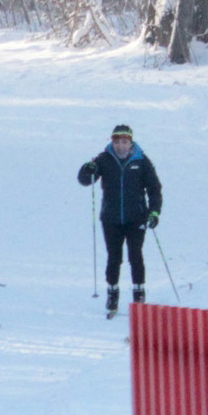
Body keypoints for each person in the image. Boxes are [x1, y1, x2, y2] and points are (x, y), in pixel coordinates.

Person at [77, 123, 163, 316]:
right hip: (111, 218)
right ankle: (112, 294)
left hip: (136, 218)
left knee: (135, 255)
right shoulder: (104, 159)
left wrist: (154, 212)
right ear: (112, 142)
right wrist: (87, 168)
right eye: (117, 142)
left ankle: (139, 295)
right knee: (114, 257)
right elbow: (85, 180)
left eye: (124, 142)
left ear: (130, 143)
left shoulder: (141, 161)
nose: (121, 146)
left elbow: (154, 188)